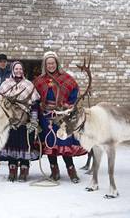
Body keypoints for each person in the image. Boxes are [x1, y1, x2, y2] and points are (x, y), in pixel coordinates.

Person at [33, 51, 87, 183]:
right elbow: (34, 98)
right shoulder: (39, 81)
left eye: (53, 63)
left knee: (64, 142)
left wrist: (68, 106)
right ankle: (54, 171)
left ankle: (71, 170)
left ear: (57, 64)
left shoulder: (67, 79)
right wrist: (40, 105)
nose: (50, 65)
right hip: (46, 117)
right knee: (50, 144)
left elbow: (74, 94)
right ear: (44, 65)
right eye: (48, 64)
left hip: (62, 116)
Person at [0, 61, 40, 182]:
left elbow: (35, 104)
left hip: (25, 121)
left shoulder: (29, 84)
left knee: (24, 145)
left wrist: (34, 120)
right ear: (12, 70)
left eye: (20, 69)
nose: (19, 71)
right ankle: (12, 170)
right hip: (10, 122)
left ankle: (24, 170)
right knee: (11, 145)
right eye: (16, 69)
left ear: (23, 71)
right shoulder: (5, 84)